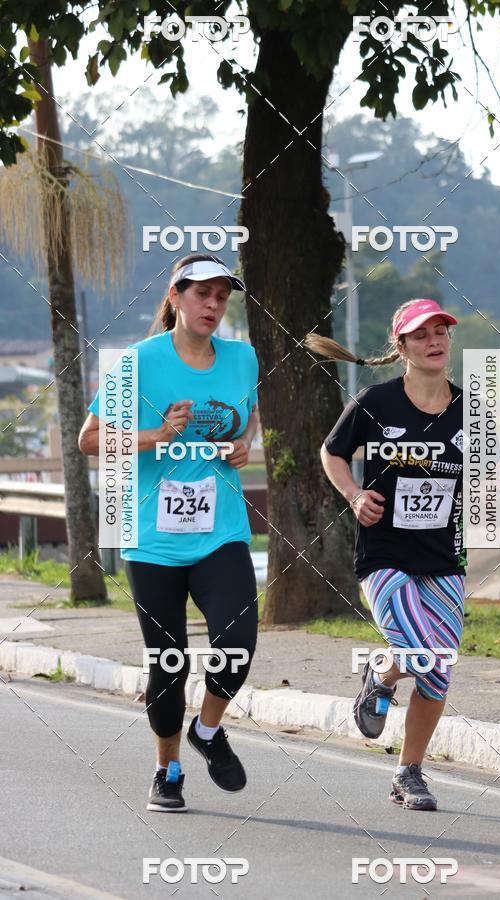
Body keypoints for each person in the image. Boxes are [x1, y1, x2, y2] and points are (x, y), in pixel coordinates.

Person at [306, 298, 500, 811]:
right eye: (422, 334)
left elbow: (487, 477)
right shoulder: (375, 402)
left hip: (444, 557)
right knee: (426, 653)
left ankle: (409, 772)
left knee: (438, 670)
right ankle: (380, 675)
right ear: (401, 347)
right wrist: (355, 494)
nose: (435, 341)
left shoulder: (474, 411)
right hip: (384, 556)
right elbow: (331, 452)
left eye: (441, 331)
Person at [79, 253, 259, 813]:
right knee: (169, 659)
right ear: (176, 296)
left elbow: (247, 415)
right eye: (202, 294)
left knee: (237, 642)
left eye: (222, 297)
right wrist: (156, 434)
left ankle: (206, 730)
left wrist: (243, 444)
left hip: (221, 530)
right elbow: (90, 439)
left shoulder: (242, 357)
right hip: (152, 536)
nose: (213, 306)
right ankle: (168, 768)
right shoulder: (139, 362)